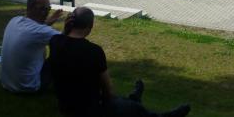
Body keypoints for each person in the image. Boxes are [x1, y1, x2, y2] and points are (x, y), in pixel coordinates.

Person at [49, 7, 191, 117]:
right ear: (90, 26)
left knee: (126, 105)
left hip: (65, 105)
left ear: (70, 23)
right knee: (135, 110)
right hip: (89, 110)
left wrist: (66, 31)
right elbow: (108, 89)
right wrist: (110, 102)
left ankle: (134, 99)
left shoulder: (55, 42)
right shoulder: (94, 51)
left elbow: (62, 40)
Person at [0, 0, 63, 93]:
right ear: (30, 8)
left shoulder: (15, 20)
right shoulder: (41, 31)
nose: (46, 12)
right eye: (43, 9)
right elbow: (68, 41)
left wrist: (47, 22)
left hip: (6, 83)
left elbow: (34, 30)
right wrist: (69, 27)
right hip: (28, 87)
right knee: (60, 55)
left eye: (48, 9)